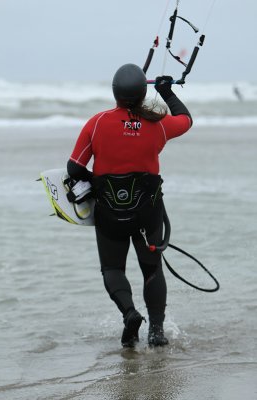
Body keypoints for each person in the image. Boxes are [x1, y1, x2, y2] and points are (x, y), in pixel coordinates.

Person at [67, 63, 192, 348]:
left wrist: (98, 184)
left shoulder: (97, 122)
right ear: (141, 94)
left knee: (112, 269)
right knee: (152, 269)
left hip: (110, 211)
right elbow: (186, 119)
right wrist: (167, 93)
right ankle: (157, 332)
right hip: (148, 211)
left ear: (115, 93)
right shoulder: (158, 125)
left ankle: (130, 313)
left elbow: (74, 168)